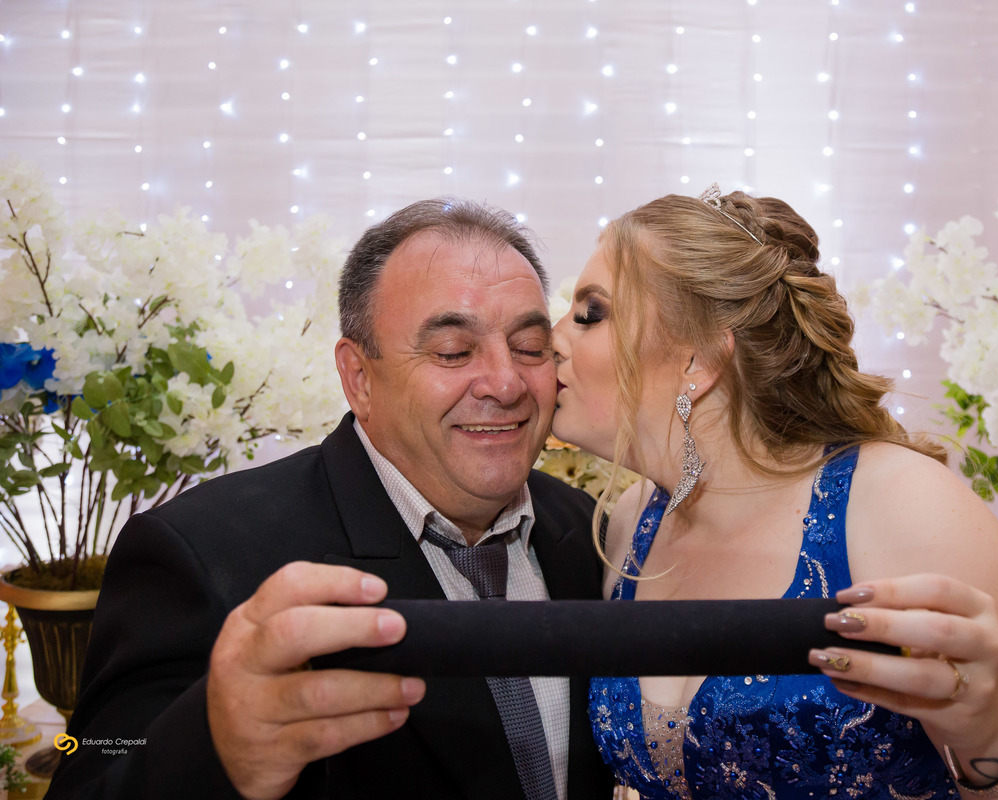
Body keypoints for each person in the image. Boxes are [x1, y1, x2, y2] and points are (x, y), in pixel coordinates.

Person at [550, 186, 998, 799]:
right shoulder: (630, 524)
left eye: (591, 313)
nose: (552, 337)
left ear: (697, 360)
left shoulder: (903, 505)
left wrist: (995, 731)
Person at [47, 199, 613, 800]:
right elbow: (93, 775)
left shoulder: (588, 531)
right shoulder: (201, 553)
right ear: (359, 378)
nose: (505, 382)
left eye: (530, 347)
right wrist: (216, 751)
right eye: (452, 351)